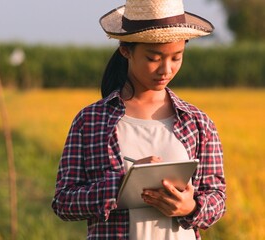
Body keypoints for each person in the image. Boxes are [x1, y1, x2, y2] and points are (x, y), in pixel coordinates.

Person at [51, 0, 226, 239]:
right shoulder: (90, 121)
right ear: (126, 50)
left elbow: (216, 197)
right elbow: (63, 202)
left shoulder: (197, 122)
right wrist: (123, 185)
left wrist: (191, 207)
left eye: (176, 58)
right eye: (153, 58)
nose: (166, 70)